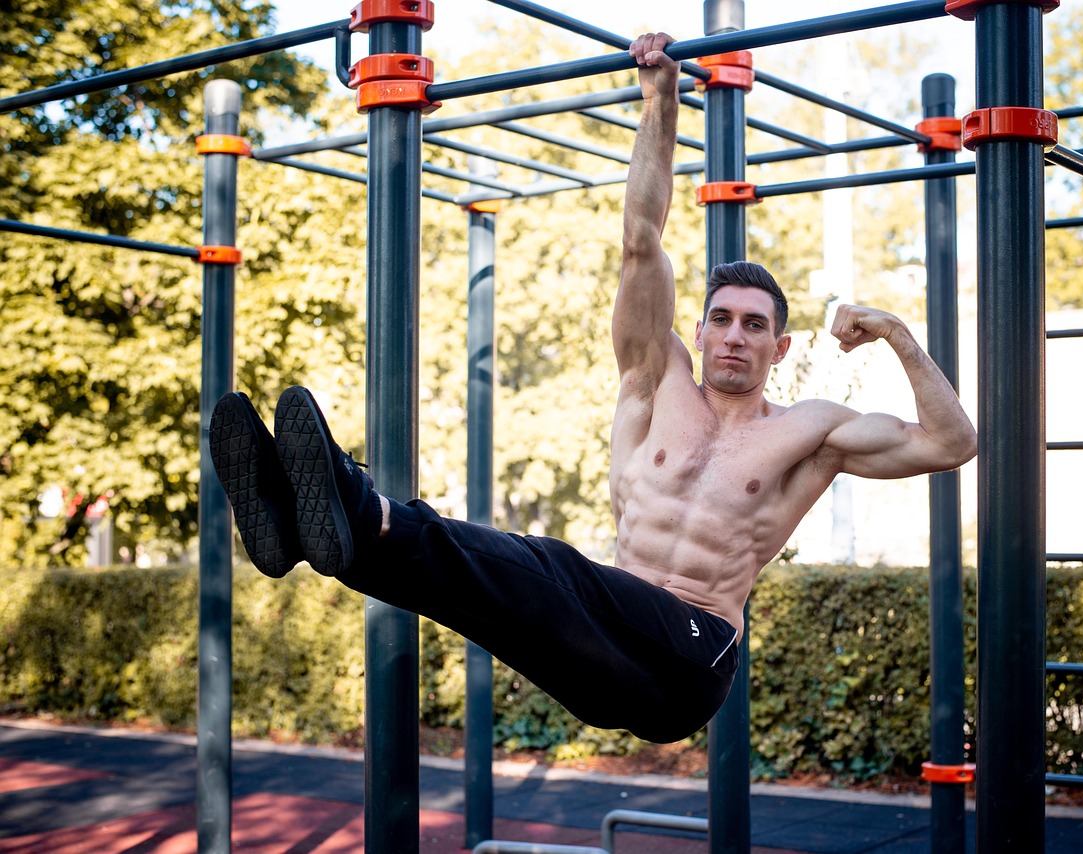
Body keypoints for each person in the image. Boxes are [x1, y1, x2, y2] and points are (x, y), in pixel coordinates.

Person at [209, 32, 976, 744]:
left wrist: (899, 335)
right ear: (699, 331)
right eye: (722, 320)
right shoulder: (654, 373)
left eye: (753, 326)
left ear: (778, 347)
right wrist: (660, 100)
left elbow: (951, 442)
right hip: (602, 656)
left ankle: (349, 493)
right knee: (490, 602)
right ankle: (329, 533)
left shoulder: (810, 431)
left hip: (689, 665)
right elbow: (641, 238)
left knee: (549, 565)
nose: (735, 336)